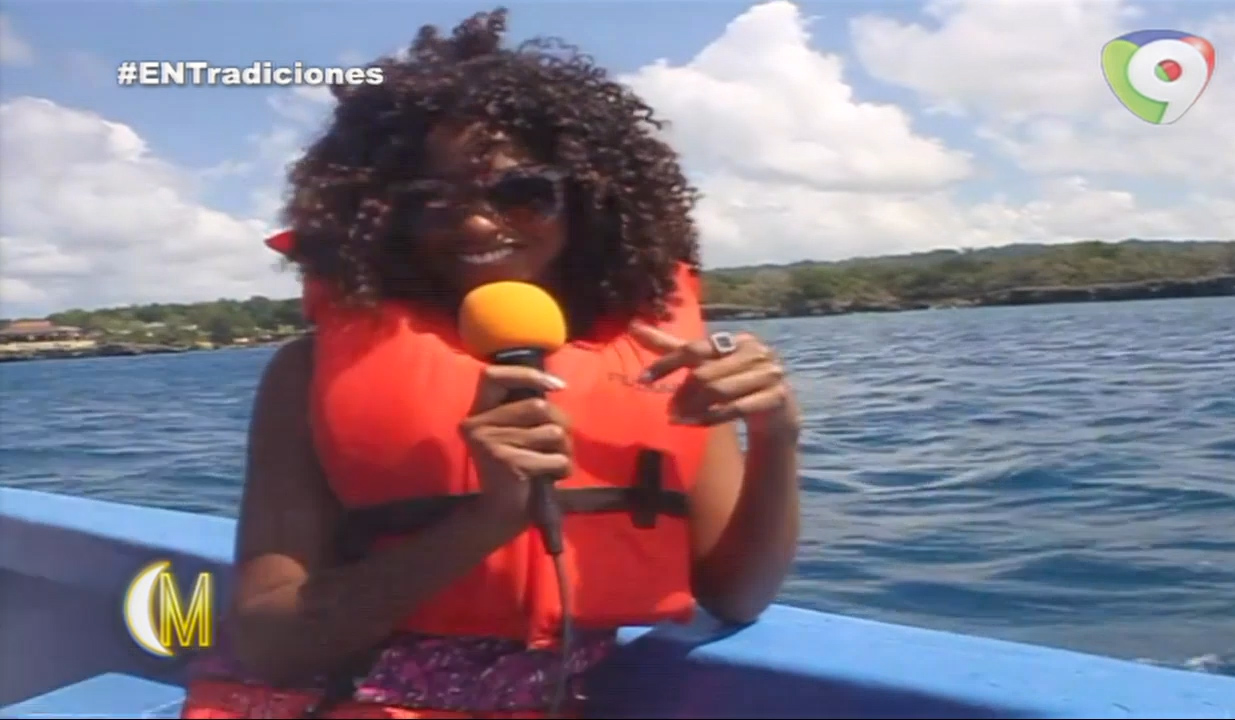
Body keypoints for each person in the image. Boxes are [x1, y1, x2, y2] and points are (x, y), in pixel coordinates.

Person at [181, 8, 801, 719]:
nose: (476, 223)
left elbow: (736, 594)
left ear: (588, 196)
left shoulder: (659, 363)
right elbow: (269, 642)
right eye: (431, 201)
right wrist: (491, 516)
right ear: (382, 217)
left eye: (520, 192)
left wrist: (777, 436)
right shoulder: (307, 373)